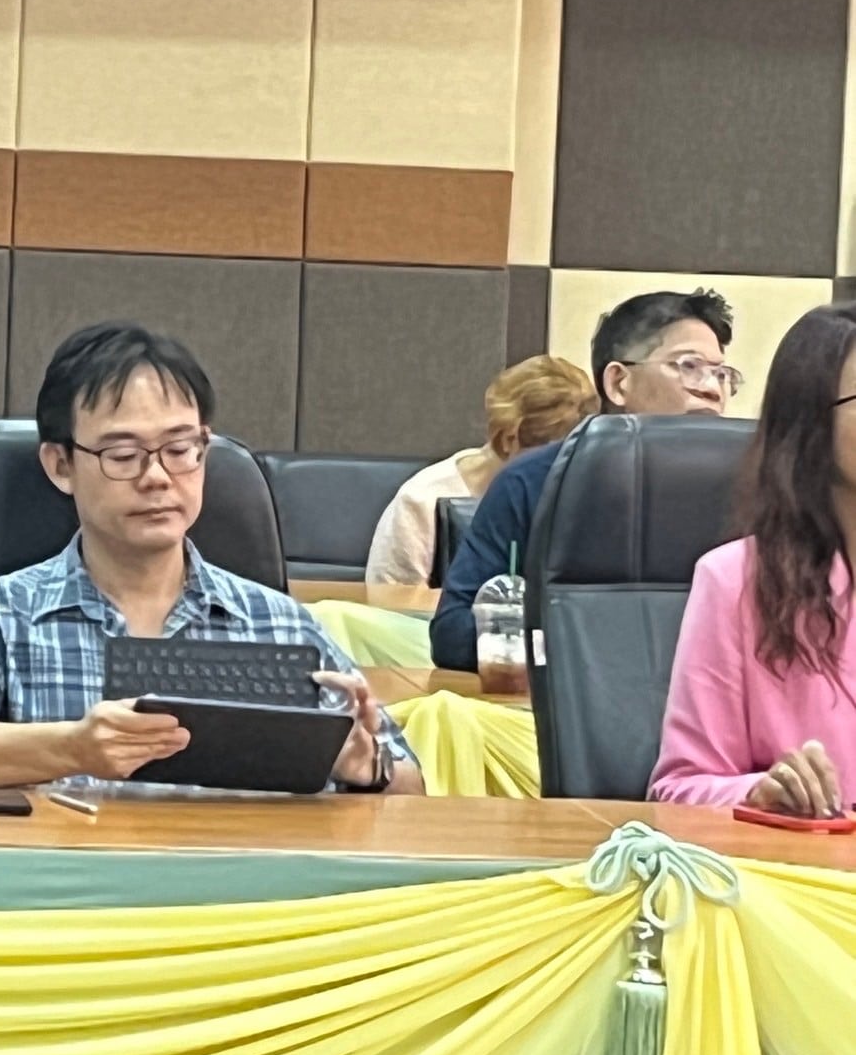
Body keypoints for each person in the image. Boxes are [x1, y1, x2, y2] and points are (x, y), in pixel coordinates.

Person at [0, 321, 424, 793]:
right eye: (123, 455)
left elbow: (411, 786)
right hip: (66, 877)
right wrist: (70, 749)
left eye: (180, 449)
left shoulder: (277, 623)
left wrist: (366, 767)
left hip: (237, 880)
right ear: (61, 465)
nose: (158, 476)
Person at [429, 289, 740, 671]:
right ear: (618, 383)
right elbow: (454, 633)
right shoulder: (533, 482)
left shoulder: (755, 489)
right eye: (689, 366)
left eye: (722, 374)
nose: (712, 389)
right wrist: (576, 646)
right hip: (564, 701)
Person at [650, 302, 856, 812]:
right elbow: (679, 789)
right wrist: (758, 794)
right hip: (809, 860)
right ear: (810, 422)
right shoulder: (736, 582)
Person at [367, 356, 598, 585]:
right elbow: (388, 601)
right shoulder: (422, 500)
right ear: (509, 440)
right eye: (551, 457)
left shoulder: (587, 495)